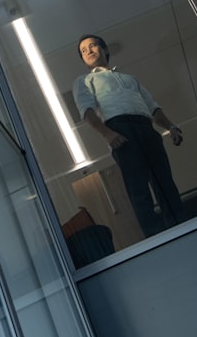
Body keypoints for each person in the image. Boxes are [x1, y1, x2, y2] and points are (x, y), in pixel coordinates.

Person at [73, 34, 185, 236]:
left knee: (165, 183)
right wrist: (107, 134)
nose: (88, 51)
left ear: (105, 50)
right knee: (139, 190)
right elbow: (86, 111)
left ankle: (183, 228)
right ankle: (157, 238)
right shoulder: (85, 80)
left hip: (146, 128)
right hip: (119, 130)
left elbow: (153, 107)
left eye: (92, 46)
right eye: (83, 51)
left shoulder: (130, 79)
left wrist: (171, 126)